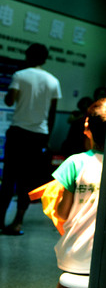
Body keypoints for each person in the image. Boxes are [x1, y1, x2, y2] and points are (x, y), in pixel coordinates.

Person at [39, 97, 106, 288]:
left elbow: (62, 211)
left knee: (66, 282)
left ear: (87, 128)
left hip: (74, 254)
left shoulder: (75, 162)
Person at [0, 43, 62, 234]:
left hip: (18, 132)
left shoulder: (20, 76)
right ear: (44, 59)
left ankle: (0, 221)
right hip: (39, 136)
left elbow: (9, 100)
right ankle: (18, 222)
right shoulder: (53, 81)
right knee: (27, 179)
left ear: (27, 56)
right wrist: (47, 138)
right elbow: (52, 113)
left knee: (9, 178)